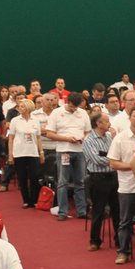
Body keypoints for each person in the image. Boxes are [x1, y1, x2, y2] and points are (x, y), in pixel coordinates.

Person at [108, 107, 135, 265]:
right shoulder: (120, 138)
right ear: (130, 118)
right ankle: (123, 252)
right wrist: (132, 166)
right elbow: (113, 163)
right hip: (128, 187)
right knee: (125, 221)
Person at [44, 92, 91, 220]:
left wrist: (83, 139)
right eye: (71, 107)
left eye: (76, 107)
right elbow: (49, 133)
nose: (74, 109)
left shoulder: (83, 113)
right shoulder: (56, 113)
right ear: (67, 102)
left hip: (80, 151)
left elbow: (88, 131)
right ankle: (62, 211)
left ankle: (81, 211)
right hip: (64, 150)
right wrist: (66, 139)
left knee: (80, 181)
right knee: (62, 182)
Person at [82, 111, 119, 252]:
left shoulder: (109, 138)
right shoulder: (89, 140)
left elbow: (116, 153)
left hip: (113, 177)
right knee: (98, 211)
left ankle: (119, 239)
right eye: (107, 121)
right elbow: (97, 160)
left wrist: (113, 159)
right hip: (98, 179)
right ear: (98, 123)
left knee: (117, 211)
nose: (109, 123)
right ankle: (95, 241)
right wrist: (114, 160)